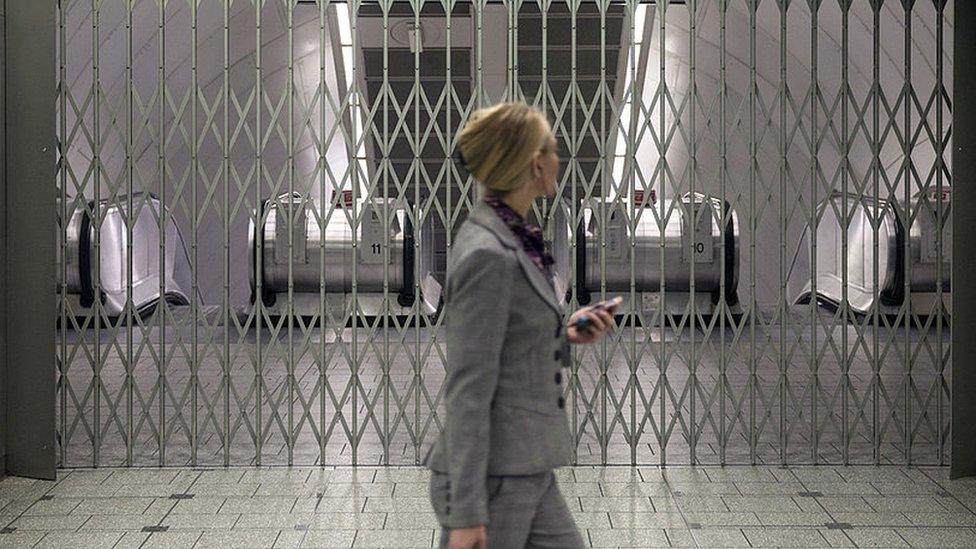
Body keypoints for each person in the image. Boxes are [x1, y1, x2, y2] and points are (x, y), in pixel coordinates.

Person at [423, 102, 619, 549]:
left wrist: (566, 332)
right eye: (551, 147)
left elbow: (508, 335)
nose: (558, 159)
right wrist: (467, 512)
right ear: (533, 163)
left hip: (525, 462)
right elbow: (468, 387)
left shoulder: (513, 237)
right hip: (496, 478)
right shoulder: (487, 254)